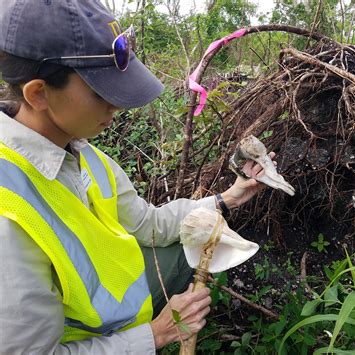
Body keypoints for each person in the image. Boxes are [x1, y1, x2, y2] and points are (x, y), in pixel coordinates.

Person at [0, 1, 273, 353]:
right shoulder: (9, 215)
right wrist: (155, 335)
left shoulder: (83, 153)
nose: (117, 105)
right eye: (102, 92)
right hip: (88, 340)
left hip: (120, 313)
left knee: (188, 246)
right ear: (38, 93)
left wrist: (228, 197)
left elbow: (149, 224)